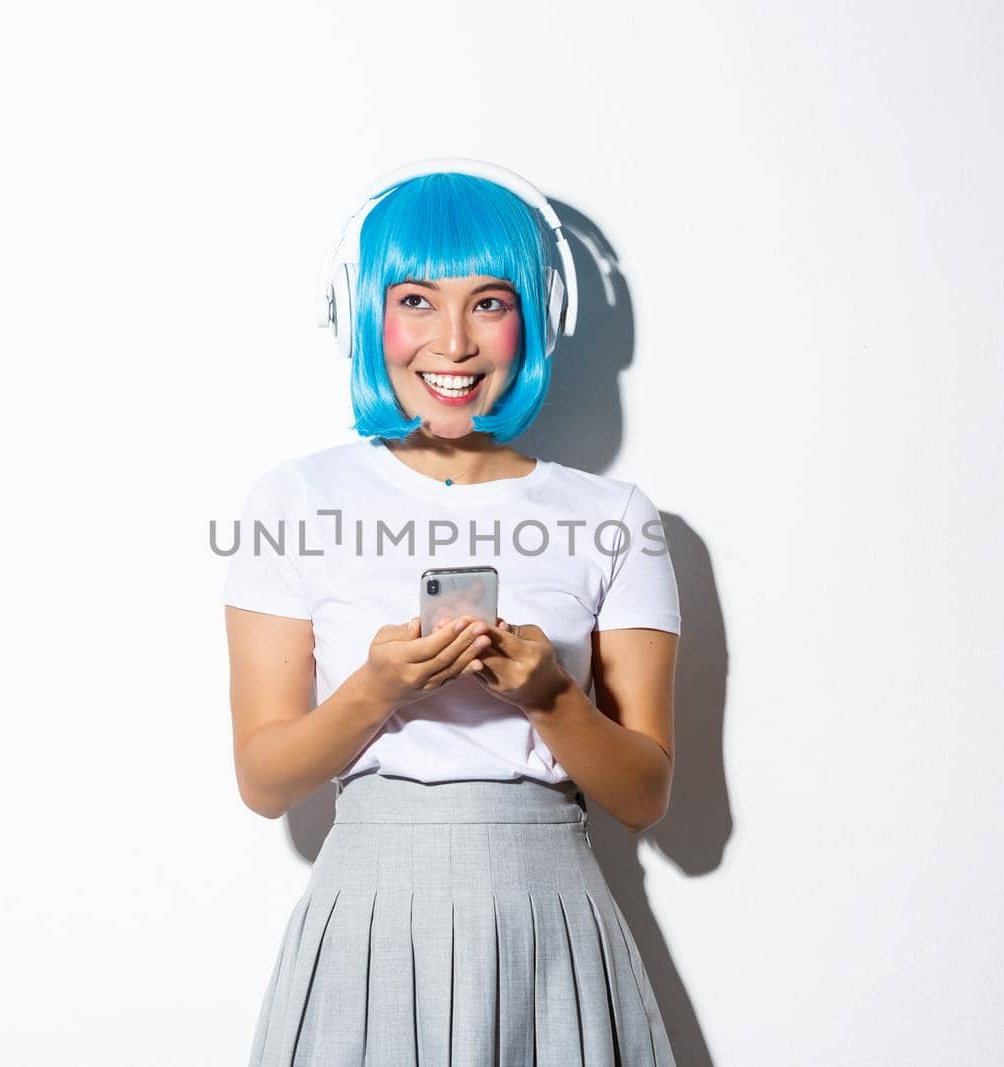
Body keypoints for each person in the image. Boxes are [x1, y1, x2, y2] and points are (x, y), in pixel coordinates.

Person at [223, 159, 682, 1065]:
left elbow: (644, 794)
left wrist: (548, 697)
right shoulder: (293, 500)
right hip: (368, 919)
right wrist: (374, 692)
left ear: (537, 316)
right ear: (366, 313)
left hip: (551, 913)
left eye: (489, 301)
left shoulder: (615, 517)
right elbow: (264, 779)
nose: (454, 342)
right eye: (418, 301)